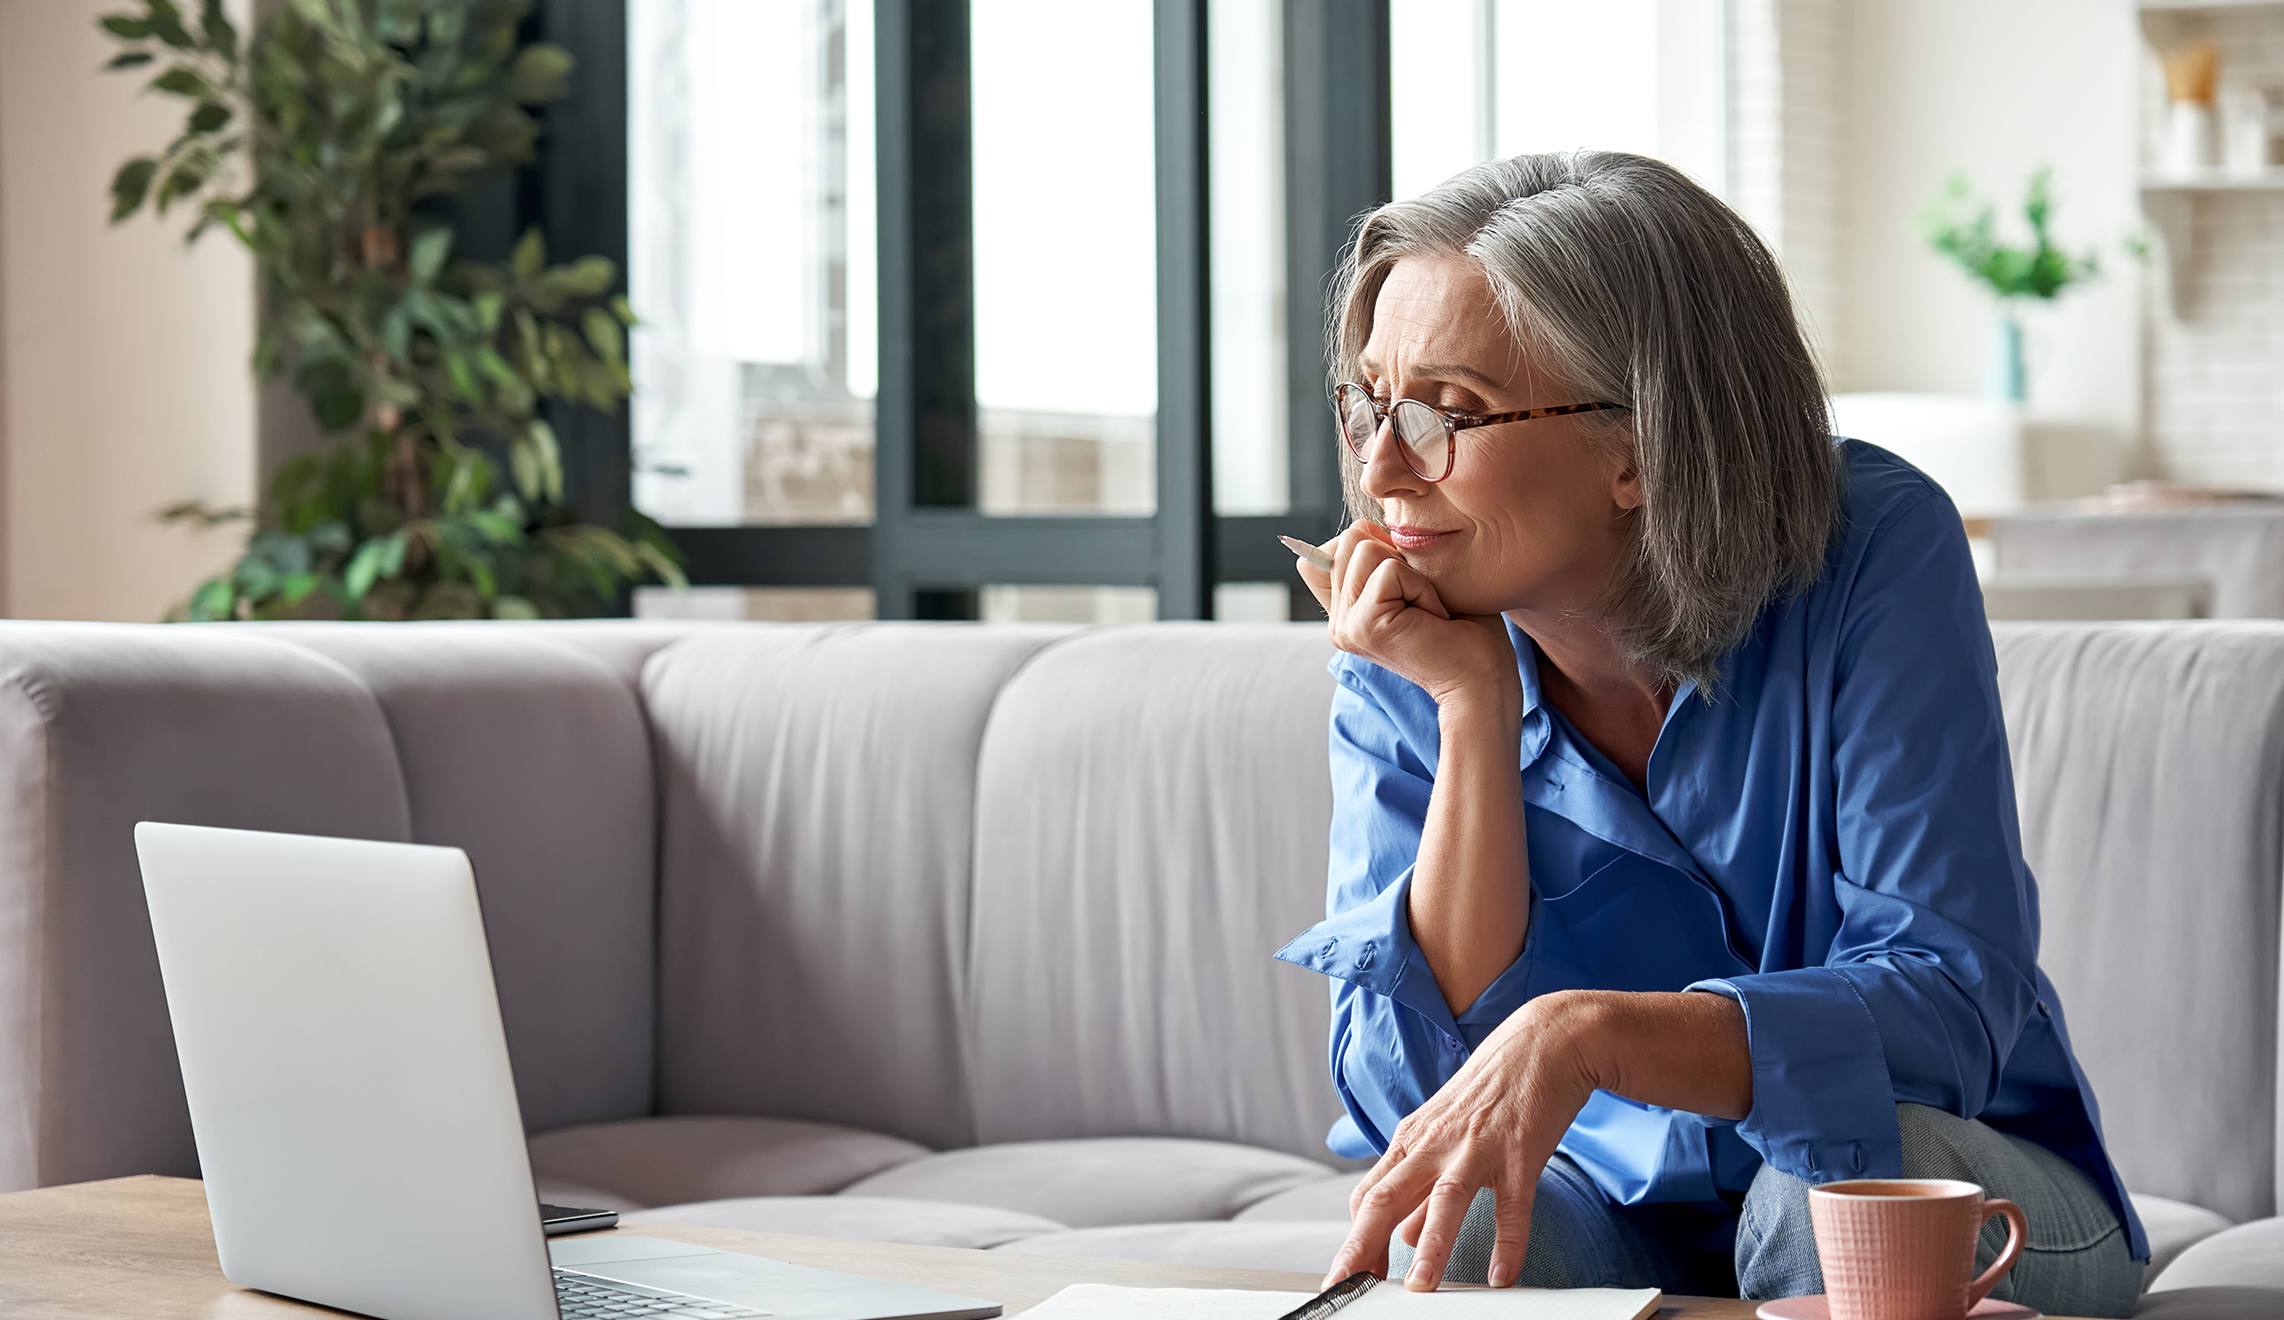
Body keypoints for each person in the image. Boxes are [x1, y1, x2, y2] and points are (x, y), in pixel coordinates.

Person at [1273, 151, 2146, 1318]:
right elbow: (1412, 1101)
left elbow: (1948, 1005)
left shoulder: (1874, 549)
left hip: (1953, 1175)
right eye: (1367, 404)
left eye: (1448, 413)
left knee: (1824, 1192)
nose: (1382, 471)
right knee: (1463, 1221)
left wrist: (1590, 1036)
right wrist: (1471, 712)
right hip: (1611, 1205)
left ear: (1639, 446)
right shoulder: (1411, 628)